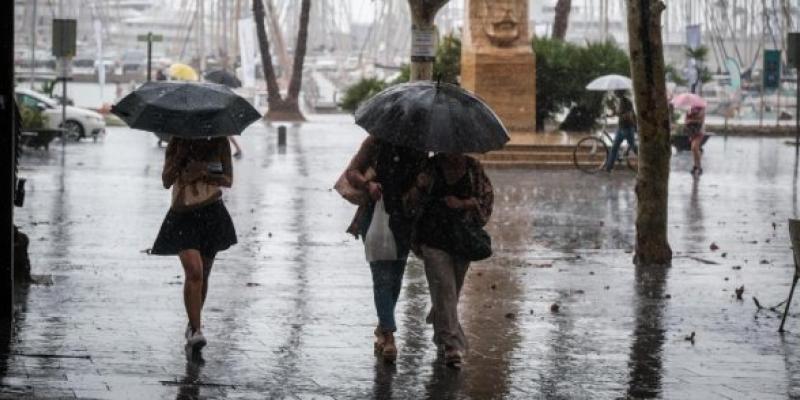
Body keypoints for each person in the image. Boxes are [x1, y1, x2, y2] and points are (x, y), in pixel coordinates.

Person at [405, 153, 494, 369]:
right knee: (444, 288)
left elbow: (486, 200)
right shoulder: (430, 166)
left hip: (462, 239)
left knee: (451, 292)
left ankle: (440, 319)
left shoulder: (474, 168)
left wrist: (463, 204)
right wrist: (419, 186)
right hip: (433, 237)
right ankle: (451, 345)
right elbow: (409, 203)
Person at [344, 136, 426, 363]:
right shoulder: (376, 141)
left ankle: (382, 326)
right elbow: (352, 172)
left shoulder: (419, 146)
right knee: (381, 276)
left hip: (404, 218)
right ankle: (389, 336)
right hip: (375, 215)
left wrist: (419, 185)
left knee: (396, 277)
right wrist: (367, 184)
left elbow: (424, 181)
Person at [151, 136, 237, 351]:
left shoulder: (219, 141)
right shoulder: (178, 141)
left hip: (212, 212)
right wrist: (180, 159)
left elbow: (228, 179)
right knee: (195, 272)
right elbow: (166, 181)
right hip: (182, 213)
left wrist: (203, 173)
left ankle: (192, 323)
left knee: (204, 274)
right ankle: (197, 331)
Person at [605, 90, 638, 172]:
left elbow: (629, 114)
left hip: (628, 128)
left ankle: (644, 161)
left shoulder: (627, 101)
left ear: (620, 93)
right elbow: (618, 113)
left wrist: (618, 114)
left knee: (634, 147)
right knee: (614, 148)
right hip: (620, 128)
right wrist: (609, 114)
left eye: (616, 92)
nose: (615, 93)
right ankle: (609, 167)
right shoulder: (619, 102)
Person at [685, 105, 705, 176]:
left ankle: (699, 167)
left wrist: (691, 119)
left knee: (694, 147)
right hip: (692, 132)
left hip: (699, 131)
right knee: (693, 149)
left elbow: (700, 119)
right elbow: (686, 120)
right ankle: (695, 166)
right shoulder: (689, 108)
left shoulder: (702, 108)